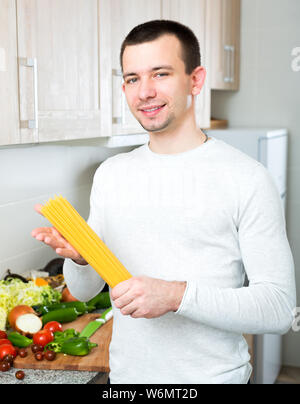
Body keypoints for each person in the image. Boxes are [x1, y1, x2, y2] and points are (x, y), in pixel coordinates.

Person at [32, 20, 296, 384]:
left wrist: (176, 296)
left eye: (160, 73)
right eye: (132, 78)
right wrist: (79, 258)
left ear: (196, 80)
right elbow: (84, 289)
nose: (145, 92)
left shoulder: (247, 178)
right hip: (126, 381)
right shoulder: (111, 174)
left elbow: (278, 308)